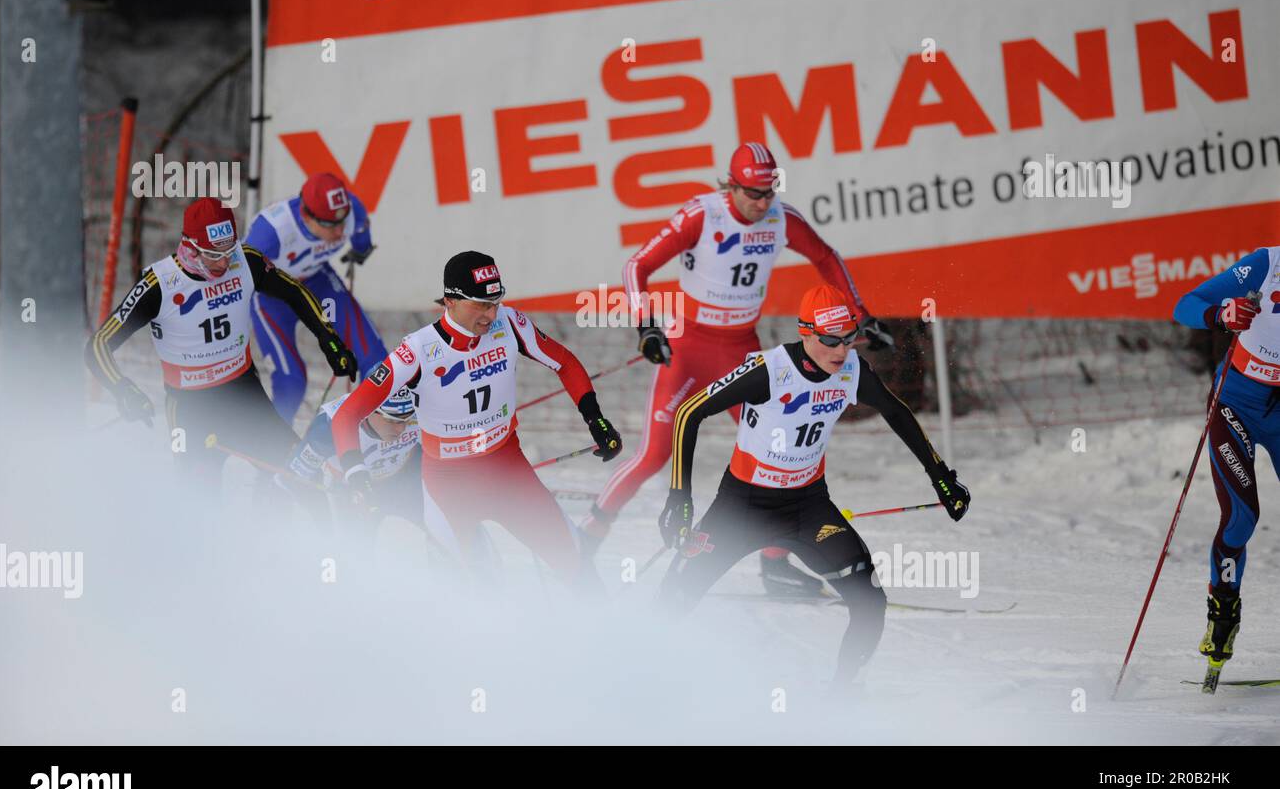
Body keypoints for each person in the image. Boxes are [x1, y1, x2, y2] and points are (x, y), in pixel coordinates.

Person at [585, 141, 894, 597]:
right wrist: (647, 327)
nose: (763, 202)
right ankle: (586, 538)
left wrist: (861, 314)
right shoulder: (701, 215)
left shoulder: (781, 217)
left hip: (741, 349)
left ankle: (776, 567)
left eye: (770, 191)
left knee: (779, 449)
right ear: (731, 185)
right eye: (753, 193)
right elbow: (638, 265)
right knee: (655, 455)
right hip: (688, 347)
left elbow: (825, 257)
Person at [656, 284, 970, 687]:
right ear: (806, 333)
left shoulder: (853, 370)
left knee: (870, 603)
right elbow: (687, 413)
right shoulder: (769, 371)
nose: (841, 351)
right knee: (672, 600)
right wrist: (679, 498)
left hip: (808, 507)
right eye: (830, 340)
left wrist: (940, 475)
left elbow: (896, 411)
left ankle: (838, 702)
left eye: (848, 339)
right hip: (742, 507)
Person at [330, 251, 622, 589]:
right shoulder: (418, 350)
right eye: (480, 305)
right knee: (464, 596)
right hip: (447, 484)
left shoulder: (509, 323)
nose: (491, 314)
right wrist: (356, 473)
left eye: (495, 302)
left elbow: (565, 362)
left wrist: (595, 419)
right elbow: (347, 415)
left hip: (507, 468)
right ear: (451, 301)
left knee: (578, 566)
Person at [85, 198, 356, 496]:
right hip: (190, 407)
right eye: (214, 255)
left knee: (302, 476)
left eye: (229, 251)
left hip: (243, 394)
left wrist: (329, 340)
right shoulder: (159, 284)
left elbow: (295, 292)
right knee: (200, 501)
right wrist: (122, 389)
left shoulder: (246, 260)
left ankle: (296, 539)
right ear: (189, 247)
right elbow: (98, 345)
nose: (225, 263)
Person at [1173, 247, 1274, 679]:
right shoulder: (1267, 263)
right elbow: (1185, 306)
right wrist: (1222, 314)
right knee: (1240, 519)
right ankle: (1223, 615)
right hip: (1236, 401)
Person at [246, 171, 385, 422]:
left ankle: (370, 436)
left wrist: (361, 250)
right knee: (292, 381)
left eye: (343, 223)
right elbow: (239, 276)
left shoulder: (352, 211)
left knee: (376, 360)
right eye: (331, 226)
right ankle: (270, 445)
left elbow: (362, 235)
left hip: (318, 282)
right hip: (273, 296)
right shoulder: (271, 232)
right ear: (306, 216)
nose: (340, 232)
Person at [289, 384, 423, 528]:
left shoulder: (423, 414)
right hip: (347, 491)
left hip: (400, 479)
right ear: (368, 411)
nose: (401, 428)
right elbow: (294, 479)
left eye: (406, 419)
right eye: (391, 420)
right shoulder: (326, 429)